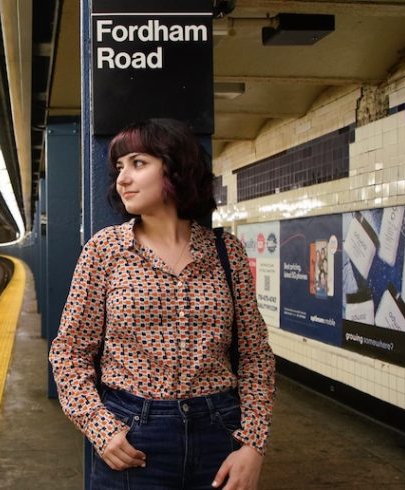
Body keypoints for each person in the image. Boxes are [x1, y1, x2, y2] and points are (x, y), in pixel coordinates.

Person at [49, 118, 276, 490]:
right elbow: (70, 352)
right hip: (134, 434)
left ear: (174, 168)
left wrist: (254, 443)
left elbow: (255, 354)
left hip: (219, 433)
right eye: (120, 168)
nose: (123, 178)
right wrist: (100, 427)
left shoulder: (225, 252)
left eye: (138, 163)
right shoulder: (105, 250)